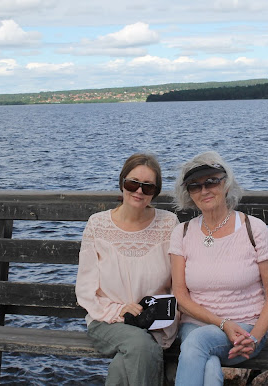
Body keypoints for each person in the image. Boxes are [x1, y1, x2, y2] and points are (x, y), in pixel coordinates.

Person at [169, 151, 268, 386]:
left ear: (226, 184)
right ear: (188, 194)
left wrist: (254, 337)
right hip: (194, 327)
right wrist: (222, 323)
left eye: (212, 181)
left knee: (197, 347)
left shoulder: (254, 229)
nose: (204, 190)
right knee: (207, 361)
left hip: (247, 329)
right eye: (195, 186)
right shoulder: (182, 233)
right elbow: (180, 296)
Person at [75, 153, 179, 386]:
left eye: (147, 187)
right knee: (140, 346)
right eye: (132, 183)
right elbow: (86, 289)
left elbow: (178, 281)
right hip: (108, 320)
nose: (139, 191)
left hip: (155, 321)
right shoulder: (97, 224)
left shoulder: (169, 223)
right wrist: (120, 310)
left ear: (155, 191)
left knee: (126, 363)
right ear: (122, 183)